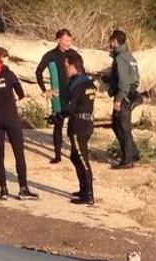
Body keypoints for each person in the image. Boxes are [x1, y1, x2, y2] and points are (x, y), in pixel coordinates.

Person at [0, 46, 38, 201]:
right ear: (3, 59)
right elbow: (21, 93)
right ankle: (23, 189)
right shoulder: (9, 74)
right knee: (19, 154)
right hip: (10, 117)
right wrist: (13, 99)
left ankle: (3, 190)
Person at [36, 29, 81, 164]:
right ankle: (57, 155)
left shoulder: (74, 54)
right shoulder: (51, 55)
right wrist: (45, 90)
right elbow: (38, 72)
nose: (69, 43)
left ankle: (75, 153)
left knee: (75, 125)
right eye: (66, 40)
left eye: (70, 40)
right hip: (59, 94)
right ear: (58, 40)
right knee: (58, 124)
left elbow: (81, 71)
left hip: (73, 93)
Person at [61, 51, 97, 205]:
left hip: (78, 125)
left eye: (66, 66)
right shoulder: (89, 84)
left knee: (82, 159)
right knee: (75, 157)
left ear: (73, 66)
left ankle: (88, 195)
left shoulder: (77, 86)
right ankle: (83, 189)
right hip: (86, 123)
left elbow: (71, 107)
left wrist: (57, 116)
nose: (65, 70)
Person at [106, 30, 141, 169]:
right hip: (130, 93)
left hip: (124, 96)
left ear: (114, 41)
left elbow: (124, 82)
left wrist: (118, 99)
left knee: (122, 127)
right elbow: (133, 76)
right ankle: (133, 152)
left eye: (110, 41)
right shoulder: (129, 56)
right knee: (117, 125)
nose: (109, 43)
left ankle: (127, 160)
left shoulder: (120, 58)